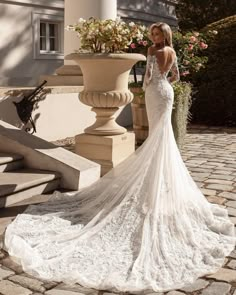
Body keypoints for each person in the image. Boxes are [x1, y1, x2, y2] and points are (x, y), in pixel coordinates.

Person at [4, 22, 235, 293]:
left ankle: (156, 184)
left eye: (157, 33)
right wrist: (162, 83)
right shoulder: (173, 51)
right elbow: (175, 78)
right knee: (163, 137)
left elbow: (149, 77)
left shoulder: (153, 51)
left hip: (154, 92)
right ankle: (161, 185)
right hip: (167, 94)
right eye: (154, 33)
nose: (154, 37)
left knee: (156, 138)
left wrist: (151, 81)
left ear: (162, 36)